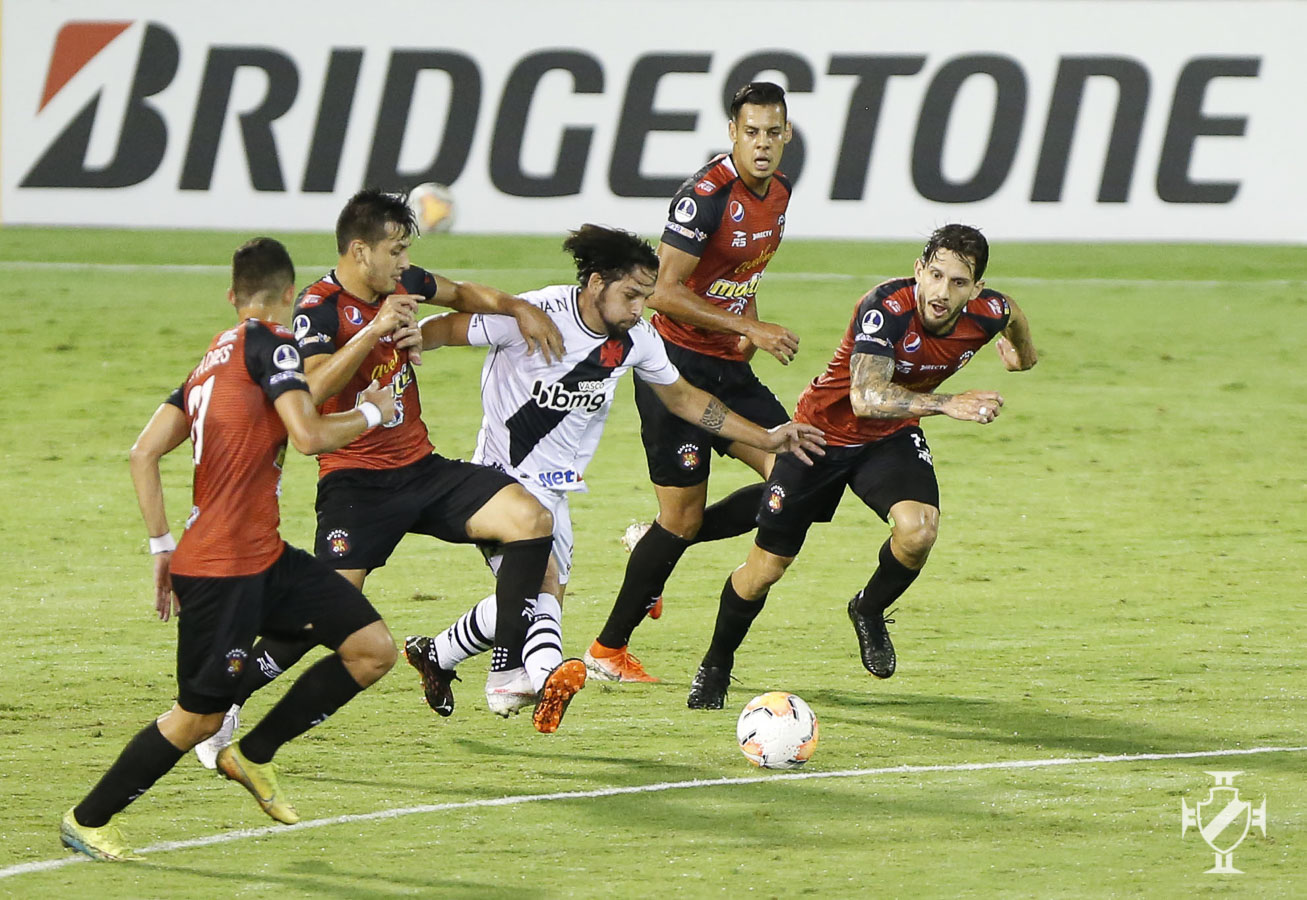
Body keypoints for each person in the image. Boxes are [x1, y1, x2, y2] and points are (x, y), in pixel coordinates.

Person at [191, 189, 568, 767]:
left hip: (420, 468)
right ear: (360, 251)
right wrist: (373, 332)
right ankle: (226, 697)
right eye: (395, 251)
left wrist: (519, 308)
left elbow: (466, 293)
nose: (403, 262)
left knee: (530, 519)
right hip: (355, 484)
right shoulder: (317, 307)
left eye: (406, 251)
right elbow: (309, 392)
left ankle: (508, 663)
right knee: (323, 615)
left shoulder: (399, 283)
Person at [403, 224, 825, 732]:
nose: (639, 309)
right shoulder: (537, 315)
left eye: (646, 298)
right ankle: (540, 675)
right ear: (597, 283)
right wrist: (397, 354)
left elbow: (686, 400)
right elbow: (449, 329)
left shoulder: (636, 340)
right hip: (498, 481)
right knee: (543, 586)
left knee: (537, 598)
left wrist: (767, 437)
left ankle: (440, 654)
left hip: (555, 490)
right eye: (630, 295)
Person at [60, 238, 401, 861]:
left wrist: (162, 543)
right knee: (198, 719)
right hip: (223, 571)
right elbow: (308, 436)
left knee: (373, 650)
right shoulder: (272, 344)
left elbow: (143, 452)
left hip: (265, 558)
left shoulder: (212, 358)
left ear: (233, 294)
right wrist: (374, 415)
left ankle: (255, 753)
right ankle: (88, 818)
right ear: (285, 297)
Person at [683, 224, 1039, 709]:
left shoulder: (990, 309)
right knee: (767, 568)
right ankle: (716, 664)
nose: (942, 292)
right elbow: (867, 398)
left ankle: (868, 609)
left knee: (919, 530)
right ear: (919, 270)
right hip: (821, 434)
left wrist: (1021, 356)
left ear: (976, 289)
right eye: (935, 275)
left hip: (889, 439)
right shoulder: (885, 308)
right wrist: (949, 403)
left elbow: (1013, 315)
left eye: (958, 283)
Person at [585, 81, 803, 683]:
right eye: (751, 132)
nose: (762, 144)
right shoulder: (703, 197)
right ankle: (608, 650)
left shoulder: (779, 193)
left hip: (728, 368)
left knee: (797, 481)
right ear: (733, 133)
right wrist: (747, 328)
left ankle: (650, 549)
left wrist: (745, 326)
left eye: (772, 132)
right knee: (681, 518)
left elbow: (739, 275)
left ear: (786, 135)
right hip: (672, 370)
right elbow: (660, 291)